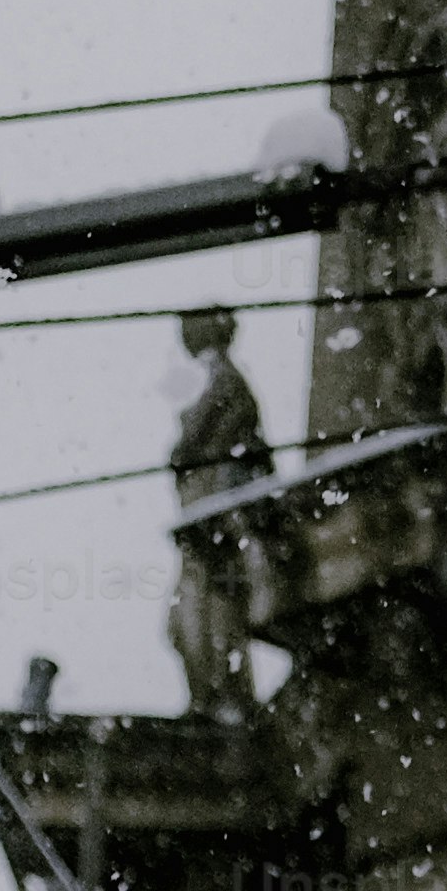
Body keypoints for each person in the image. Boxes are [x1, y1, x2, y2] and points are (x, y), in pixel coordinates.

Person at [160, 304, 272, 719]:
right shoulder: (215, 382)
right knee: (185, 623)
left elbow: (235, 449)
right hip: (201, 524)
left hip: (213, 524)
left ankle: (220, 701)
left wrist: (184, 454)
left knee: (207, 618)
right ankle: (212, 700)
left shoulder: (226, 382)